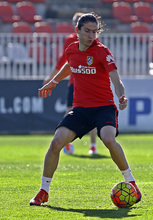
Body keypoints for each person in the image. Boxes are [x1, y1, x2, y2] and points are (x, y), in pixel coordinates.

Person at [29, 12, 141, 206]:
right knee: (56, 143)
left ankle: (131, 182)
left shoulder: (102, 52)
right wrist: (54, 82)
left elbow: (116, 79)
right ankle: (43, 191)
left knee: (108, 138)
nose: (91, 36)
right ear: (77, 31)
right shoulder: (72, 49)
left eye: (95, 32)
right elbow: (69, 65)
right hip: (81, 109)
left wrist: (121, 95)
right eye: (87, 31)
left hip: (104, 107)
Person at [43, 12, 98, 155]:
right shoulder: (71, 40)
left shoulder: (92, 40)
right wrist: (52, 77)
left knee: (92, 113)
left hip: (89, 82)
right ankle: (67, 144)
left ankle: (92, 145)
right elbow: (65, 60)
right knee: (70, 111)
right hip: (75, 81)